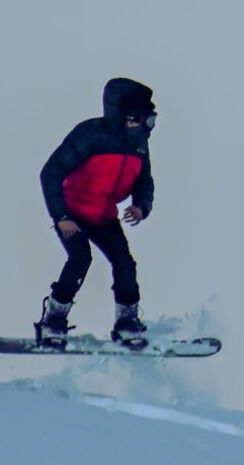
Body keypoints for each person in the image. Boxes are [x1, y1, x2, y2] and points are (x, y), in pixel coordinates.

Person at [36, 77, 157, 347]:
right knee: (80, 258)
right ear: (126, 117)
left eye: (150, 120)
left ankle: (127, 323)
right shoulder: (90, 134)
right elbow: (51, 172)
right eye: (142, 120)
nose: (145, 126)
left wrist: (141, 206)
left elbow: (144, 181)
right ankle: (53, 320)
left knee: (125, 264)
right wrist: (61, 217)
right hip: (72, 212)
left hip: (103, 215)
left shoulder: (138, 146)